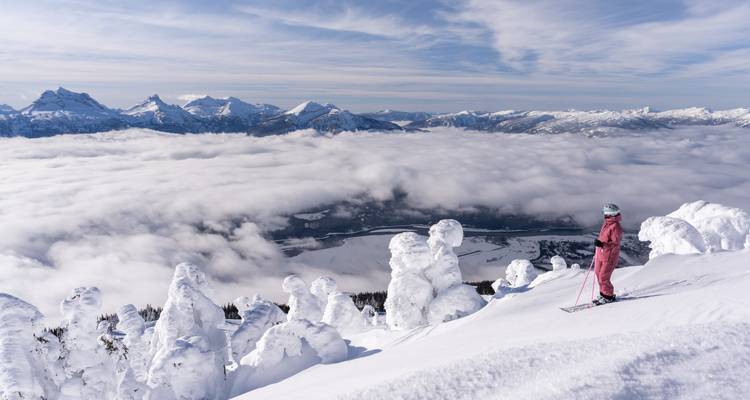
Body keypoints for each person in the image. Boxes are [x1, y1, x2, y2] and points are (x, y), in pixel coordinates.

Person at [593, 203, 623, 305]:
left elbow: (615, 244)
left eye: (606, 213)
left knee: (603, 277)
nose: (604, 215)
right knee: (598, 274)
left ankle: (608, 296)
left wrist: (602, 244)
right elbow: (603, 238)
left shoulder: (615, 226)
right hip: (601, 254)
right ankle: (603, 294)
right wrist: (599, 243)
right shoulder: (606, 223)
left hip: (609, 256)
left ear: (611, 214)